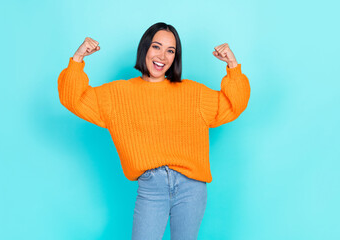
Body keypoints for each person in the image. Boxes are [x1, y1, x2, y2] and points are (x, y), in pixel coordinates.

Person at [57, 22, 250, 240]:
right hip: (151, 187)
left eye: (171, 51)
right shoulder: (117, 95)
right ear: (145, 49)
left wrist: (232, 65)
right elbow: (72, 98)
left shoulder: (193, 93)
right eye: (156, 47)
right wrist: (78, 58)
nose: (163, 56)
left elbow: (234, 104)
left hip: (192, 187)